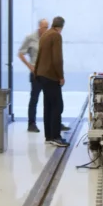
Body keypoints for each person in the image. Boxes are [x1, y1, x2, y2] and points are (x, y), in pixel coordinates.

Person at [34, 16, 68, 147]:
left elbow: (39, 56)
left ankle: (48, 136)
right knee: (57, 106)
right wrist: (61, 76)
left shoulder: (45, 35)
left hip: (41, 75)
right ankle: (56, 136)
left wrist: (36, 72)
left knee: (48, 106)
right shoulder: (56, 36)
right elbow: (57, 59)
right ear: (61, 27)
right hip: (51, 76)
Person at [18, 18, 49, 132]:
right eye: (45, 27)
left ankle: (54, 123)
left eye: (48, 27)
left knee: (50, 99)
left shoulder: (48, 38)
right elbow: (21, 53)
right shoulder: (30, 38)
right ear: (39, 27)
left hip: (48, 73)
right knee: (34, 99)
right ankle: (31, 124)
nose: (46, 29)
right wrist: (29, 66)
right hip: (36, 74)